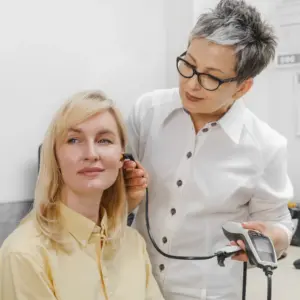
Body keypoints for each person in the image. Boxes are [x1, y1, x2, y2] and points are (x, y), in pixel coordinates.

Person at [123, 0, 294, 299]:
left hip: (207, 292)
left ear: (242, 87)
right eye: (188, 65)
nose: (191, 84)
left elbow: (279, 225)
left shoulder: (266, 146)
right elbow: (116, 197)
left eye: (211, 77)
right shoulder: (147, 112)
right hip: (137, 283)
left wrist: (273, 237)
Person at [0, 90, 164, 300]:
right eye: (74, 140)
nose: (91, 154)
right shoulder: (24, 254)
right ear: (54, 156)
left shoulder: (133, 244)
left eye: (104, 140)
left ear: (122, 156)